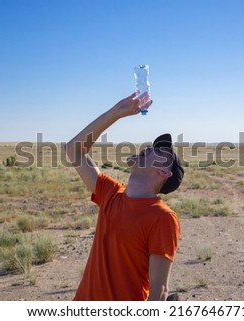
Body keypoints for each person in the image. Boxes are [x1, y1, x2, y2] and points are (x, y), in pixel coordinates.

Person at [65, 93, 184, 301]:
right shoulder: (110, 192)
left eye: (160, 151)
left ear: (165, 172)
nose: (148, 148)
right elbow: (73, 150)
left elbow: (159, 290)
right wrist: (116, 113)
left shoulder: (162, 217)